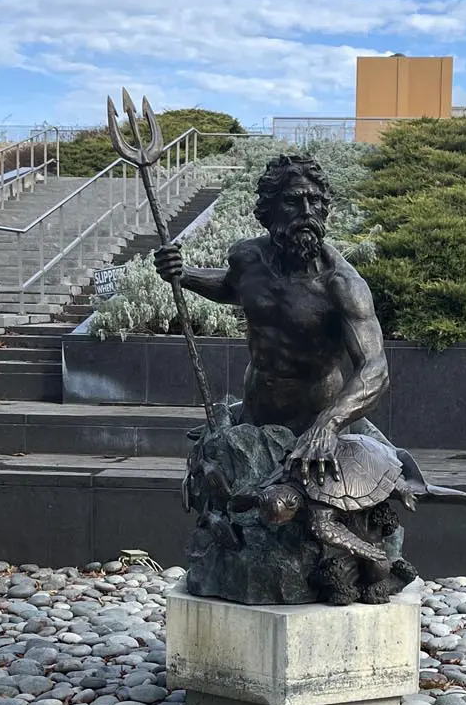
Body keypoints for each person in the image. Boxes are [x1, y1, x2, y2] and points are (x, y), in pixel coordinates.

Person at [154, 153, 387, 483]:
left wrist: (329, 425)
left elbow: (375, 369)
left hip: (314, 427)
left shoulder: (343, 285)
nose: (306, 212)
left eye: (315, 201)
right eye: (293, 201)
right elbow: (233, 288)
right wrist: (185, 274)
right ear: (270, 208)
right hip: (256, 414)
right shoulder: (248, 258)